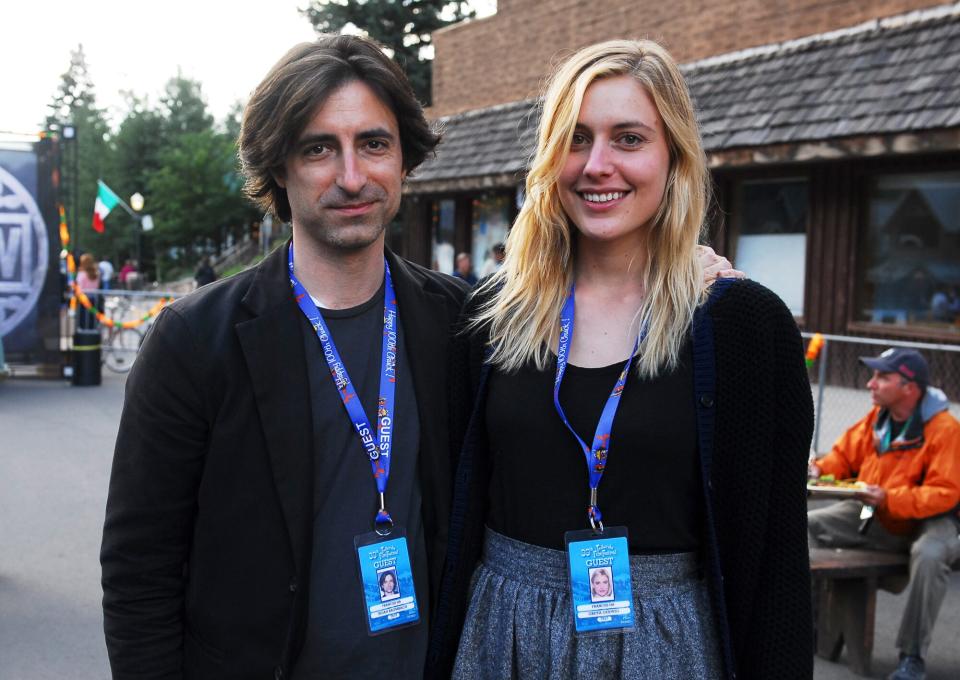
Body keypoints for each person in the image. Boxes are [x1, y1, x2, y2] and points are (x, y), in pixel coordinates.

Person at [427, 40, 813, 680]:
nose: (596, 165)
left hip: (665, 643)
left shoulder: (742, 325)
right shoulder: (491, 316)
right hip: (504, 639)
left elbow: (774, 555)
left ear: (674, 157)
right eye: (576, 139)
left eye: (628, 139)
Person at [100, 35, 469, 680]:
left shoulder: (462, 323)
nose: (351, 177)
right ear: (278, 165)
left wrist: (689, 276)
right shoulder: (193, 342)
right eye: (319, 148)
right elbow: (140, 572)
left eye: (373, 144)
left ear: (404, 157)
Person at [808, 348, 960, 680]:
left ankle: (912, 658)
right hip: (878, 512)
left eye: (881, 377)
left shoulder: (945, 428)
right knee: (804, 525)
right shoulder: (877, 418)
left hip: (933, 522)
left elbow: (946, 493)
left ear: (910, 387)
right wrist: (818, 469)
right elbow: (843, 458)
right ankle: (805, 625)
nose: (870, 384)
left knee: (930, 554)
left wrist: (889, 497)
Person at [75, 253, 101, 330]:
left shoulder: (82, 273)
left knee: (83, 320)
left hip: (84, 300)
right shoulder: (96, 273)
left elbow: (79, 287)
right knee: (92, 319)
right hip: (94, 299)